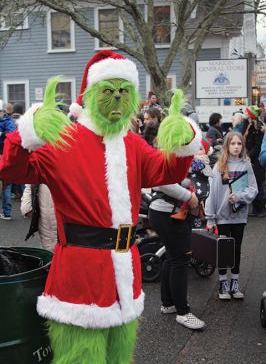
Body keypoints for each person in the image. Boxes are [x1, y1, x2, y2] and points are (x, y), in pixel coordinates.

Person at [0, 50, 201, 364]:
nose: (118, 99)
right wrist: (29, 132)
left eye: (125, 91)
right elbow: (11, 170)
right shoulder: (64, 140)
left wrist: (184, 138)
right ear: (91, 95)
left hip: (125, 270)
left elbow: (166, 172)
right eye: (109, 91)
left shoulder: (132, 143)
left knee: (120, 355)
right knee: (82, 356)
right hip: (81, 274)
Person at [205, 132, 258, 300]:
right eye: (233, 143)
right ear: (227, 146)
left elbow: (253, 189)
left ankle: (235, 281)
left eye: (239, 144)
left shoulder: (246, 165)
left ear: (243, 146)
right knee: (223, 250)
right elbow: (212, 194)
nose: (236, 146)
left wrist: (240, 196)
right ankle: (223, 282)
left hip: (239, 216)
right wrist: (211, 217)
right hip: (222, 216)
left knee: (236, 249)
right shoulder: (219, 166)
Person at [148, 179, 206, 330]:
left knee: (173, 257)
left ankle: (169, 303)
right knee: (180, 260)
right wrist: (189, 195)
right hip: (169, 213)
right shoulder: (168, 154)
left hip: (167, 212)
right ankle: (183, 312)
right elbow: (163, 182)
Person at [21, 184, 57, 252]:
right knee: (47, 246)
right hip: (44, 218)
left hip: (63, 220)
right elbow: (29, 184)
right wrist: (26, 208)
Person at [244, 106, 266, 217]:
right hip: (250, 159)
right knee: (253, 183)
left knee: (258, 184)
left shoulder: (258, 126)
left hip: (256, 160)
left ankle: (261, 209)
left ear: (250, 115)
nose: (244, 113)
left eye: (246, 112)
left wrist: (248, 155)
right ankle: (256, 209)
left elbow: (258, 146)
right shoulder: (248, 125)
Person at [0, 100, 16, 220]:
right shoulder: (9, 121)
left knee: (6, 184)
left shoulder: (8, 122)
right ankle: (6, 212)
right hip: (4, 155)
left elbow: (13, 135)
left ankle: (7, 212)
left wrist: (3, 134)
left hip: (5, 156)